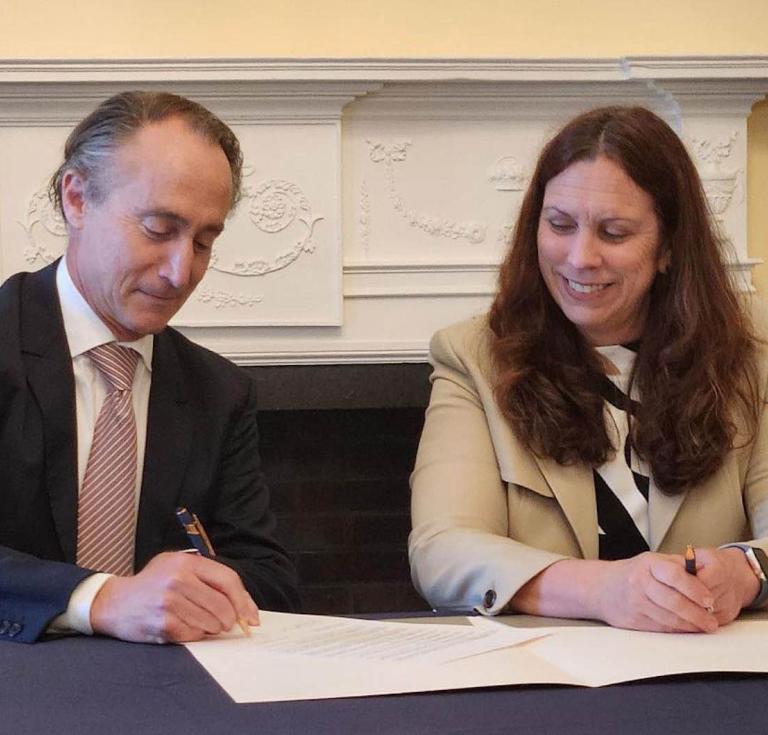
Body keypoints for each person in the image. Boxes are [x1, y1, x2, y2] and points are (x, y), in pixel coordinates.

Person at [409, 106, 768, 634]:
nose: (580, 258)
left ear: (669, 246)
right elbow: (442, 549)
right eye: (559, 225)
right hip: (551, 688)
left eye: (614, 233)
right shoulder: (472, 355)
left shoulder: (750, 347)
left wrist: (746, 570)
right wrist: (605, 589)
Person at [0, 91, 300, 645]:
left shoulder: (218, 391)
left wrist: (193, 590)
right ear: (77, 199)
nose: (181, 271)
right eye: (160, 229)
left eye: (204, 242)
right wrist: (102, 598)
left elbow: (270, 580)